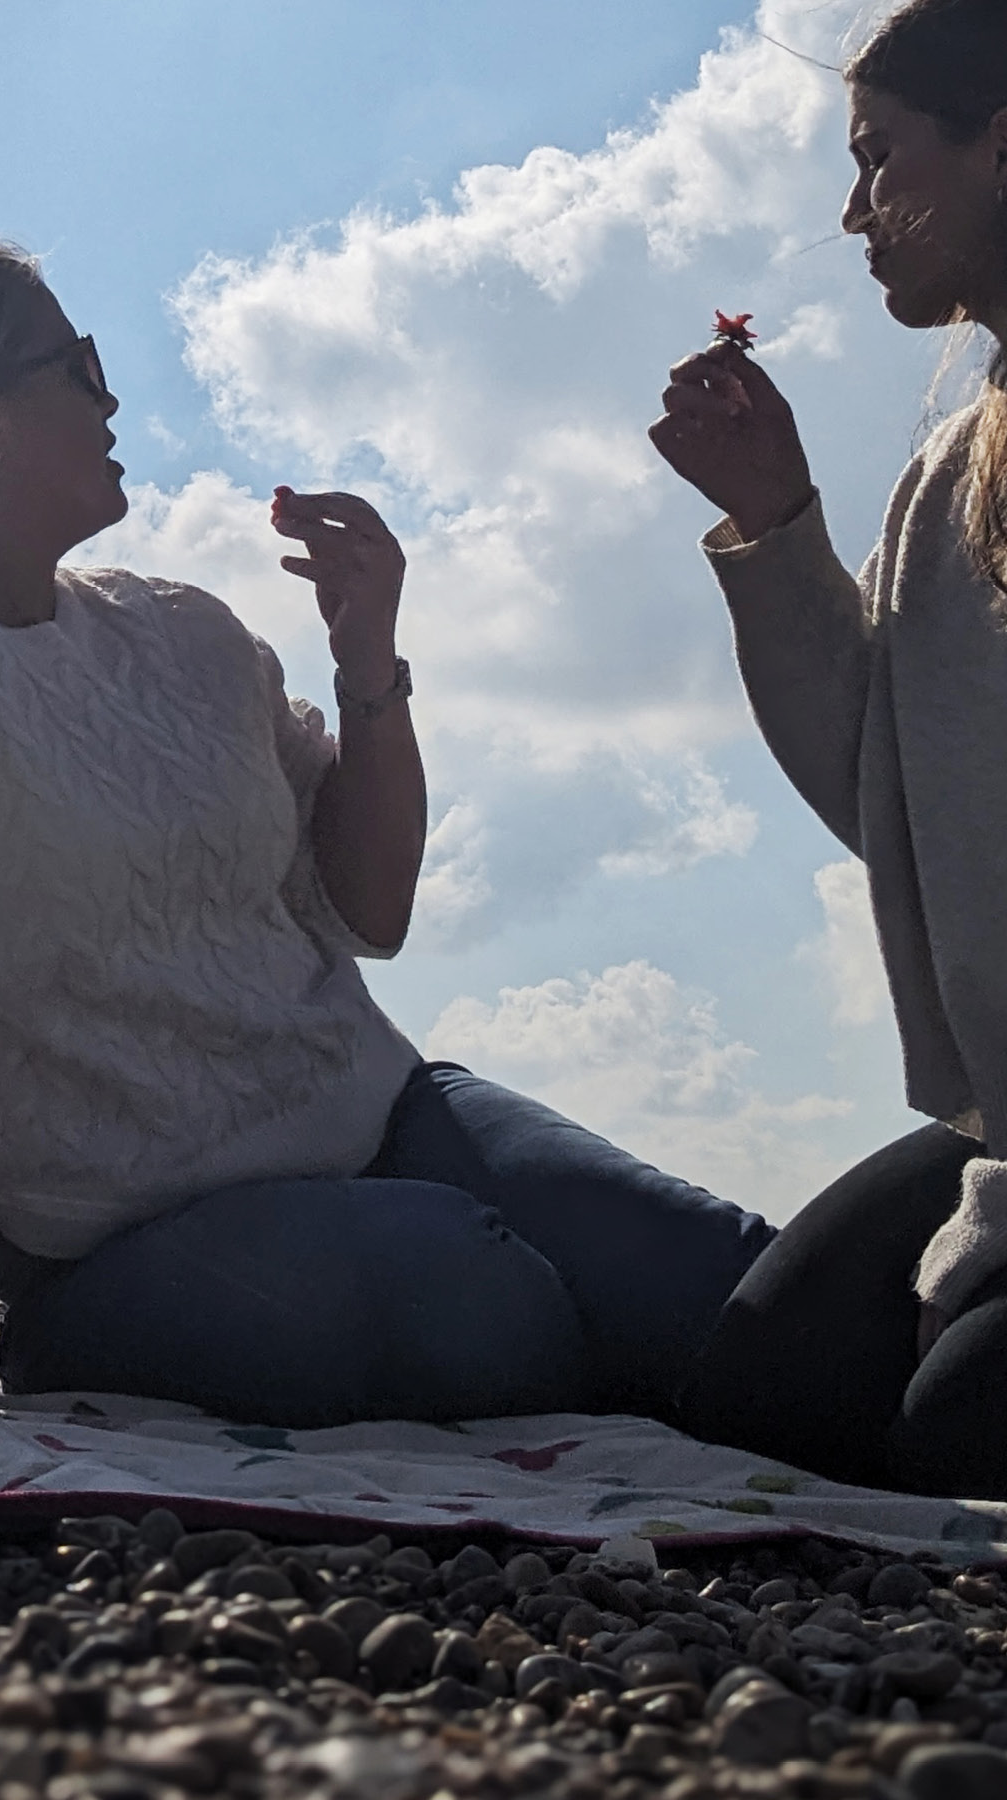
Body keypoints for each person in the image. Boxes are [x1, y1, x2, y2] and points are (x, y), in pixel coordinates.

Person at [0, 238, 773, 1427]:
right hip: (137, 1242)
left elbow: (366, 913)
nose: (113, 401)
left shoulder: (186, 631)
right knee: (477, 1293)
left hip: (392, 1113)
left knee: (718, 1276)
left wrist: (368, 660)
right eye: (82, 367)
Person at [654, 0, 1007, 1498]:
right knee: (767, 1406)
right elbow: (904, 798)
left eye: (879, 158)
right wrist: (776, 523)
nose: (852, 209)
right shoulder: (952, 467)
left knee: (954, 1434)